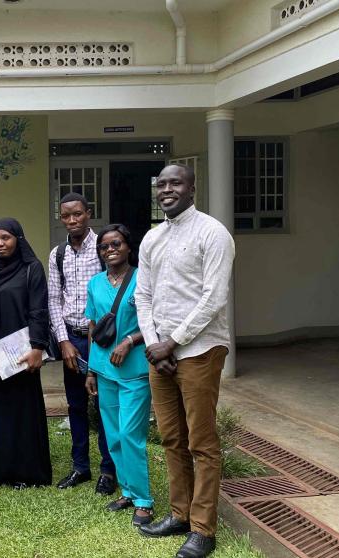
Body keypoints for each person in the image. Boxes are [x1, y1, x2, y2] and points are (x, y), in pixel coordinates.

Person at [135, 164, 235, 558]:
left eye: (175, 183)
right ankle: (179, 514)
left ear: (192, 188)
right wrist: (154, 343)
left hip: (200, 350)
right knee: (172, 438)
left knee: (202, 441)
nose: (167, 190)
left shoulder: (213, 233)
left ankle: (203, 530)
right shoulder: (152, 238)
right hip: (161, 354)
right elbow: (142, 296)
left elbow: (214, 298)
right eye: (161, 184)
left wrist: (173, 342)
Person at [0, 218, 53, 488]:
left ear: (18, 238)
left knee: (21, 410)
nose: (0, 243)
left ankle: (23, 471)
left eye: (6, 237)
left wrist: (37, 348)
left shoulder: (31, 268)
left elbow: (39, 310)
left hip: (20, 353)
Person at [47, 192, 117, 495]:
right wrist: (63, 341)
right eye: (66, 216)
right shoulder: (58, 254)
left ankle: (108, 470)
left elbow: (114, 292)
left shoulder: (104, 248)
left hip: (100, 339)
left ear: (88, 213)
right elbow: (53, 300)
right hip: (71, 341)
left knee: (103, 405)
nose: (72, 220)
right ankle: (80, 466)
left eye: (77, 214)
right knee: (75, 405)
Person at [84, 223, 153, 526]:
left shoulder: (143, 280)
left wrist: (129, 341)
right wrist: (90, 369)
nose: (110, 250)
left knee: (130, 434)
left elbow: (155, 321)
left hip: (134, 368)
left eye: (116, 244)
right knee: (112, 434)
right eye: (104, 247)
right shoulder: (96, 283)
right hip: (102, 367)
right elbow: (92, 326)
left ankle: (144, 501)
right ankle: (127, 490)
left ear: (128, 247)